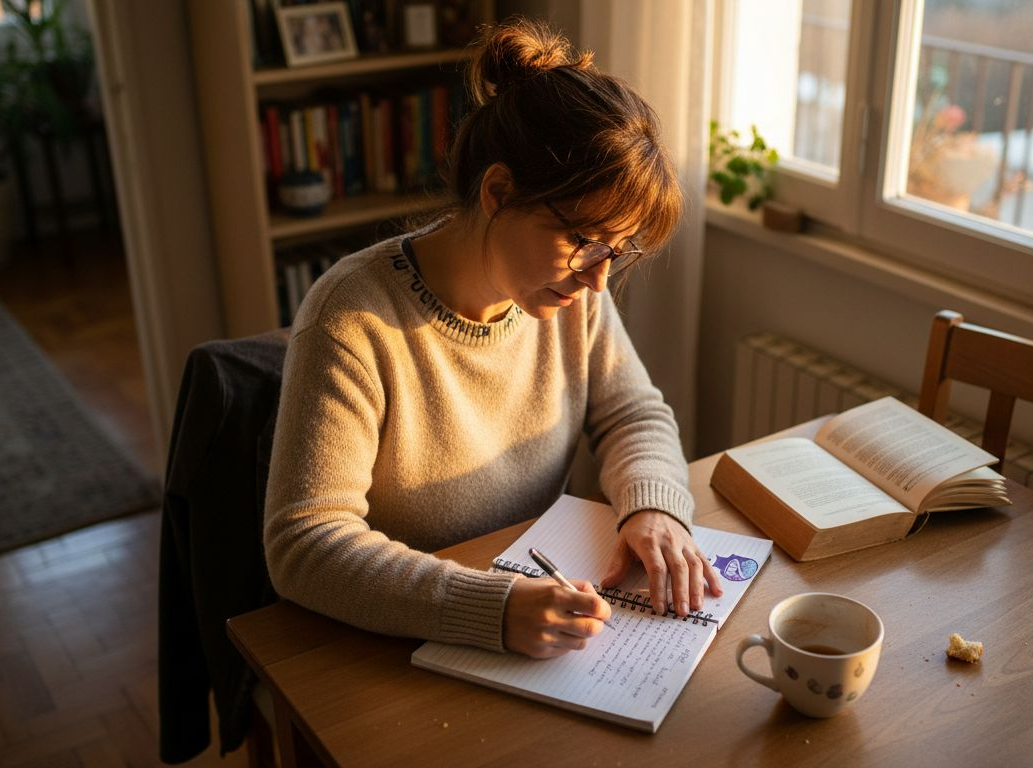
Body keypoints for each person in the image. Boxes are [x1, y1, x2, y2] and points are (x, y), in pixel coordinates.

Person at [264, 18, 723, 660]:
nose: (598, 280)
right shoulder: (351, 318)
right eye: (586, 242)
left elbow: (632, 410)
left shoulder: (564, 294)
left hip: (530, 595)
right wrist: (491, 607)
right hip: (398, 642)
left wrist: (654, 505)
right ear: (499, 191)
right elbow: (305, 544)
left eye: (617, 253)